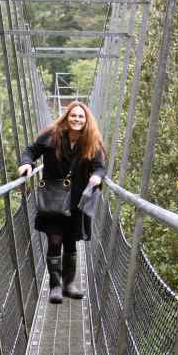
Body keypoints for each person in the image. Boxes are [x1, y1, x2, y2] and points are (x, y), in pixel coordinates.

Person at [18, 101, 106, 304]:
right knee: (55, 239)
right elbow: (31, 150)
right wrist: (26, 164)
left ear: (86, 120)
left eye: (81, 117)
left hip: (76, 200)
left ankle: (69, 285)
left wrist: (97, 177)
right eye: (73, 116)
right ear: (67, 117)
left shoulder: (92, 141)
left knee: (71, 241)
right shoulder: (52, 136)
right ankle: (55, 286)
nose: (77, 119)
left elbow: (100, 166)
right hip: (53, 198)